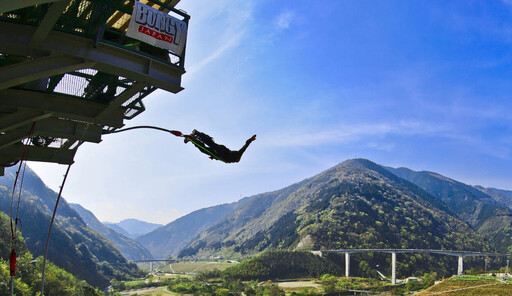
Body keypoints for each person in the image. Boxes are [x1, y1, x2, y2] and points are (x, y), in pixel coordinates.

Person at [184, 130, 256, 163]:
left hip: (219, 153)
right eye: (238, 160)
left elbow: (222, 159)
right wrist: (250, 140)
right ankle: (194, 137)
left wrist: (213, 157)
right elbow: (245, 146)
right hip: (221, 152)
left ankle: (195, 136)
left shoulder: (230, 160)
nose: (238, 161)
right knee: (206, 147)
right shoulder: (238, 154)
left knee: (208, 145)